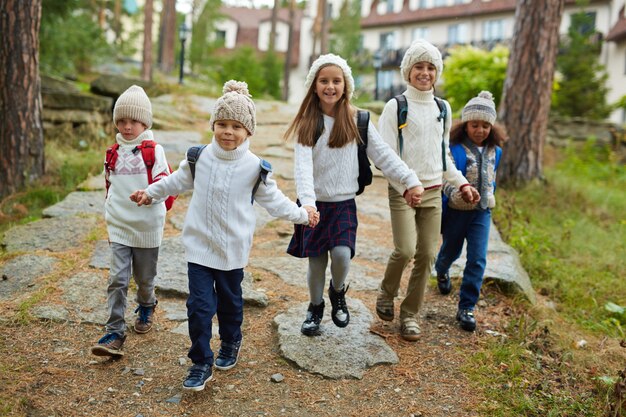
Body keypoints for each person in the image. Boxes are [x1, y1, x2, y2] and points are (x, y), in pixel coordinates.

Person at [130, 80, 319, 392]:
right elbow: (174, 182)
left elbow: (275, 202)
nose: (228, 132)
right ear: (213, 125)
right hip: (199, 249)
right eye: (221, 124)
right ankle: (200, 361)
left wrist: (302, 214)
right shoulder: (199, 158)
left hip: (232, 252)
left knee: (230, 304)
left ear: (248, 131)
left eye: (236, 126)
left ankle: (231, 340)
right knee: (199, 307)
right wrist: (149, 194)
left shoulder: (254, 168)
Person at [284, 53, 423, 337]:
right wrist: (307, 204)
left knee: (341, 255)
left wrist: (409, 180)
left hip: (344, 203)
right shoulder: (308, 124)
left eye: (337, 81)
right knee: (316, 262)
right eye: (324, 81)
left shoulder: (358, 120)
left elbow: (384, 155)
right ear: (314, 86)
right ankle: (315, 306)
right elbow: (302, 168)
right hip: (314, 206)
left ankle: (337, 292)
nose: (330, 86)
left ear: (346, 85)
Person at [376, 39, 480, 341]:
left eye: (431, 67)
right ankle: (387, 293)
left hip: (434, 192)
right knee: (406, 249)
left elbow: (443, 154)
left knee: (427, 254)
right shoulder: (396, 107)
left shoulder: (443, 108)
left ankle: (409, 315)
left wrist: (460, 182)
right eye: (419, 66)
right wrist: (407, 185)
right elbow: (386, 156)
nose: (425, 72)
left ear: (437, 72)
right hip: (402, 190)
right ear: (408, 71)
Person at [91, 85, 169, 358]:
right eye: (122, 121)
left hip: (147, 226)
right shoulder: (112, 152)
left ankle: (147, 304)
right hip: (120, 225)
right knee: (117, 279)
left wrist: (149, 195)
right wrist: (110, 213)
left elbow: (165, 183)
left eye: (133, 121)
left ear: (145, 122)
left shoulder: (153, 151)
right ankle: (114, 331)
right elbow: (110, 187)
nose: (127, 126)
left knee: (144, 279)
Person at [434, 91, 507, 332]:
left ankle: (466, 307)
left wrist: (488, 196)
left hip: (482, 213)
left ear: (491, 127)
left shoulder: (495, 151)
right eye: (474, 124)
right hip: (457, 211)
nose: (480, 130)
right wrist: (456, 192)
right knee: (451, 251)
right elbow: (444, 178)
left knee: (477, 258)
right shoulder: (453, 149)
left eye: (485, 125)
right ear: (465, 124)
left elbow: (492, 179)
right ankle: (442, 269)